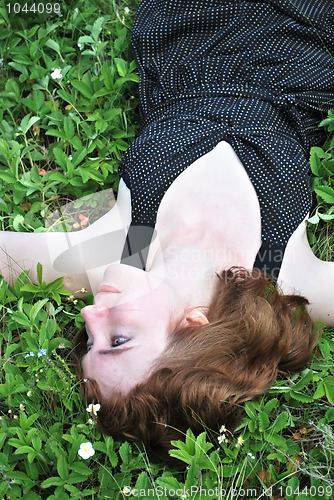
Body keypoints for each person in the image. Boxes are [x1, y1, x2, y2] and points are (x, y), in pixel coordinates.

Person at [1, 0, 334, 463]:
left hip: (185, 23)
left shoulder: (129, 249)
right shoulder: (282, 273)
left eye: (89, 343)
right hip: (303, 38)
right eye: (117, 341)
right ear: (193, 327)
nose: (91, 318)